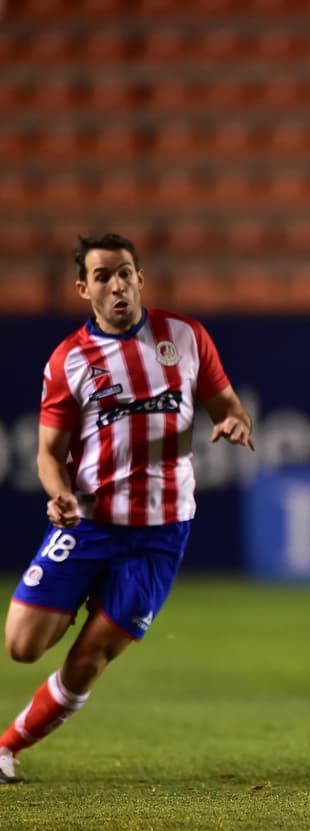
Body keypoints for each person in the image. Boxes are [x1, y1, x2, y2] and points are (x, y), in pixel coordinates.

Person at [0, 234, 255, 784]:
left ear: (140, 277)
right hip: (91, 522)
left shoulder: (185, 337)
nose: (116, 285)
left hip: (161, 534)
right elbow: (48, 452)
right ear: (82, 288)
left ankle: (7, 748)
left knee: (90, 660)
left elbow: (228, 404)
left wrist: (234, 421)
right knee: (21, 646)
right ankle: (70, 600)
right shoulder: (70, 360)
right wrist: (58, 492)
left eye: (125, 273)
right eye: (102, 276)